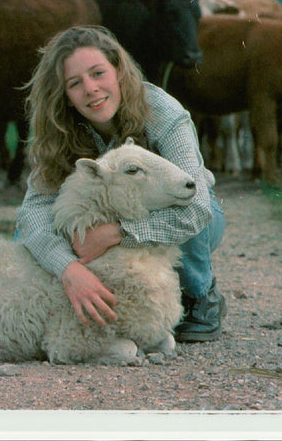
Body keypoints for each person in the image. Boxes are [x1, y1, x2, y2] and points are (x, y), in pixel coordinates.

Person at [15, 25, 226, 343]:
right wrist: (68, 269)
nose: (90, 88)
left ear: (118, 70)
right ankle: (82, 296)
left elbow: (195, 203)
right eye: (75, 83)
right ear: (66, 97)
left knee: (193, 200)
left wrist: (118, 233)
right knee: (25, 237)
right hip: (100, 219)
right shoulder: (58, 131)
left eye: (98, 73)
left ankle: (199, 293)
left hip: (165, 215)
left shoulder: (164, 113)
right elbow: (32, 213)